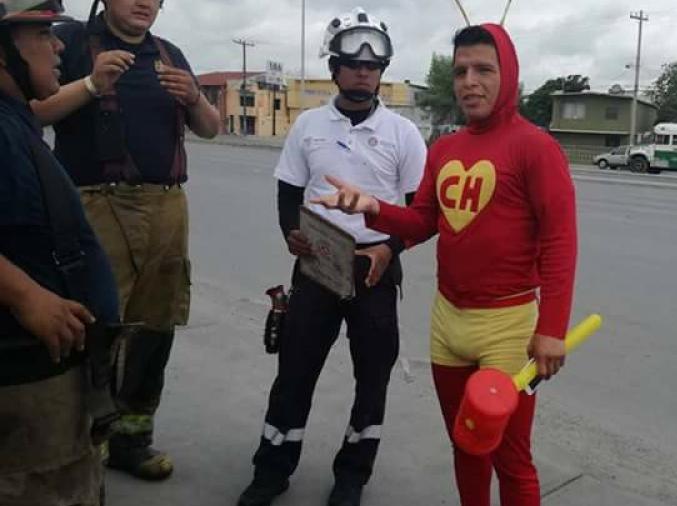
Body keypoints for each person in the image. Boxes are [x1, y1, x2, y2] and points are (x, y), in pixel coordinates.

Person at [314, 23, 578, 506]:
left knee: (511, 458)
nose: (469, 82)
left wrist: (552, 329)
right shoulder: (445, 149)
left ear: (508, 74)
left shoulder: (536, 148)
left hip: (508, 326)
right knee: (466, 444)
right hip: (447, 323)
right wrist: (371, 207)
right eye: (460, 72)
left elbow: (561, 242)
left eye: (483, 70)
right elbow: (423, 221)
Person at [236, 7, 426, 506]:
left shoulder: (404, 134)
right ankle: (272, 469)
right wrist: (291, 233)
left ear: (382, 71)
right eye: (353, 64)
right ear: (335, 68)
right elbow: (288, 193)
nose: (363, 72)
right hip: (318, 264)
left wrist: (390, 246)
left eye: (372, 66)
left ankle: (351, 476)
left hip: (374, 268)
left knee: (372, 379)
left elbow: (419, 214)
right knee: (294, 371)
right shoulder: (308, 125)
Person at [29, 0, 220, 481]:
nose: (143, 2)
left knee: (156, 327)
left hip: (166, 208)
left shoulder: (170, 54)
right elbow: (32, 113)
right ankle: (78, 447)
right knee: (93, 329)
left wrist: (195, 98)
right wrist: (92, 85)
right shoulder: (69, 43)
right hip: (96, 206)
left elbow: (210, 129)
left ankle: (132, 439)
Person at [0, 1, 121, 504]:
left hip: (54, 373)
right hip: (26, 378)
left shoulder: (15, 120)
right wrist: (25, 295)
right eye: (41, 34)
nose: (57, 47)